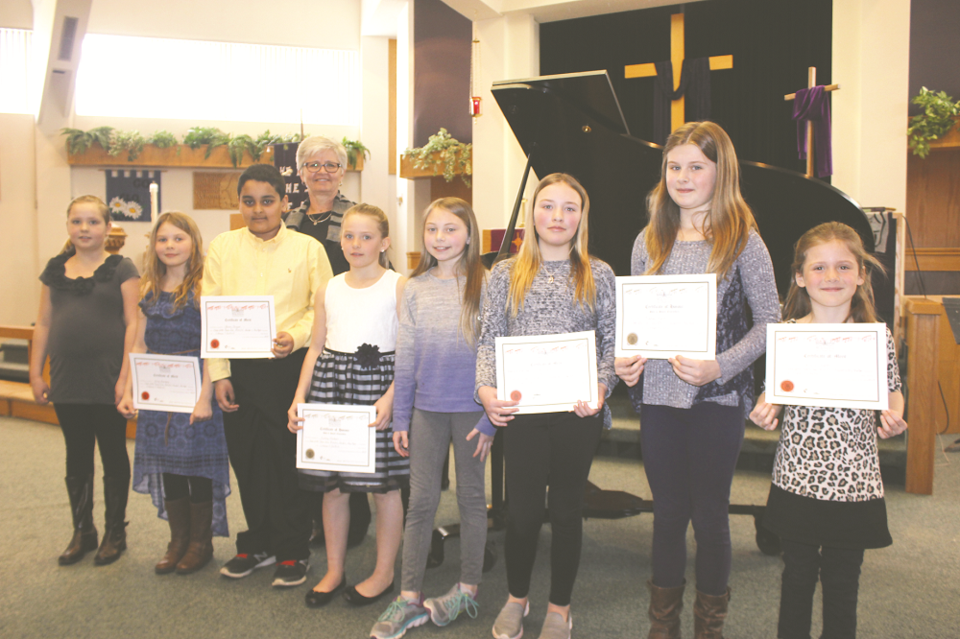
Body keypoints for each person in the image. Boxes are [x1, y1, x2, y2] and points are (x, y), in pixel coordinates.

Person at [615, 121, 780, 639]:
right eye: (674, 166)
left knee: (710, 517)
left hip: (718, 395)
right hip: (660, 396)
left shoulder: (743, 240)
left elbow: (772, 321)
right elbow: (637, 320)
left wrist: (721, 365)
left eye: (695, 167)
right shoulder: (649, 239)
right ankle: (662, 627)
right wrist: (627, 359)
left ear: (719, 172)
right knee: (666, 514)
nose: (682, 177)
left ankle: (710, 629)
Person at [476, 174, 618, 639]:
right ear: (532, 213)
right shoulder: (504, 273)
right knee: (521, 513)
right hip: (522, 413)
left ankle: (560, 607)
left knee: (566, 511)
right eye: (548, 206)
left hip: (579, 412)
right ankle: (517, 597)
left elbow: (612, 343)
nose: (558, 217)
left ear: (583, 215)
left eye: (570, 207)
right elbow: (488, 340)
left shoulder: (599, 273)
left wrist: (602, 386)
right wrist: (486, 393)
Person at [750, 222, 907, 639]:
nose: (831, 277)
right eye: (819, 268)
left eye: (843, 267)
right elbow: (773, 396)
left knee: (843, 582)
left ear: (860, 275)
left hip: (854, 483)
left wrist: (892, 417)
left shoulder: (877, 338)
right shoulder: (788, 335)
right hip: (797, 478)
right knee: (796, 576)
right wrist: (765, 410)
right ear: (800, 277)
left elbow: (892, 394)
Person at [205, 164, 333, 588]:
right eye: (248, 201)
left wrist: (294, 337)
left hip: (288, 370)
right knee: (248, 460)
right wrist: (218, 375)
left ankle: (294, 549)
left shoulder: (307, 248)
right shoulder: (223, 247)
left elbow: (323, 308)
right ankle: (257, 542)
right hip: (237, 370)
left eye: (267, 200)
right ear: (238, 203)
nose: (257, 210)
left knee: (287, 461)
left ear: (283, 202)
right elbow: (212, 311)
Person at [370, 198, 493, 639]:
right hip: (425, 410)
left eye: (451, 229)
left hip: (474, 412)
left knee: (471, 500)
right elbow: (405, 360)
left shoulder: (488, 283)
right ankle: (407, 598)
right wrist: (400, 417)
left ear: (469, 233)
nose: (440, 238)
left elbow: (496, 354)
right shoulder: (416, 287)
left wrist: (493, 421)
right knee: (419, 503)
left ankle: (468, 588)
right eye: (432, 230)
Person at [287, 204, 408, 609]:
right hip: (331, 386)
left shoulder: (399, 285)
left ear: (384, 242)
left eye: (367, 236)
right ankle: (335, 569)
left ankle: (384, 571)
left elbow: (409, 349)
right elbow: (316, 345)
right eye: (350, 236)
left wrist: (391, 397)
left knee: (384, 489)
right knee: (334, 487)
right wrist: (300, 395)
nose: (356, 244)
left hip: (377, 389)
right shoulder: (329, 287)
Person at [29, 195, 140, 566]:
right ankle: (83, 530)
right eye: (77, 222)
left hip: (108, 378)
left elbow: (132, 324)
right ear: (68, 227)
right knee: (76, 456)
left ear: (108, 228)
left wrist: (125, 379)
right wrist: (35, 372)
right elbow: (43, 322)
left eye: (93, 222)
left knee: (112, 453)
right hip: (66, 378)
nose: (84, 229)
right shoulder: (55, 270)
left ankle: (114, 531)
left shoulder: (121, 267)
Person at [117, 212, 230, 575]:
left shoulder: (204, 288)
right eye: (163, 240)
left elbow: (215, 346)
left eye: (178, 239)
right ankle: (177, 540)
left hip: (196, 388)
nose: (170, 246)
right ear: (154, 246)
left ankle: (200, 543)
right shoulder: (148, 287)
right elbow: (138, 342)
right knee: (168, 468)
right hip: (157, 393)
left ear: (194, 243)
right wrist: (129, 389)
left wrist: (204, 398)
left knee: (195, 467)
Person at [285, 134, 372, 548]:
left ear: (343, 172)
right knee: (314, 431)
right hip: (301, 339)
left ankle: (353, 524)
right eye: (313, 165)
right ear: (301, 173)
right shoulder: (289, 222)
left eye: (331, 165)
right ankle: (316, 519)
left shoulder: (359, 218)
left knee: (350, 429)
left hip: (350, 336)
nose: (322, 172)